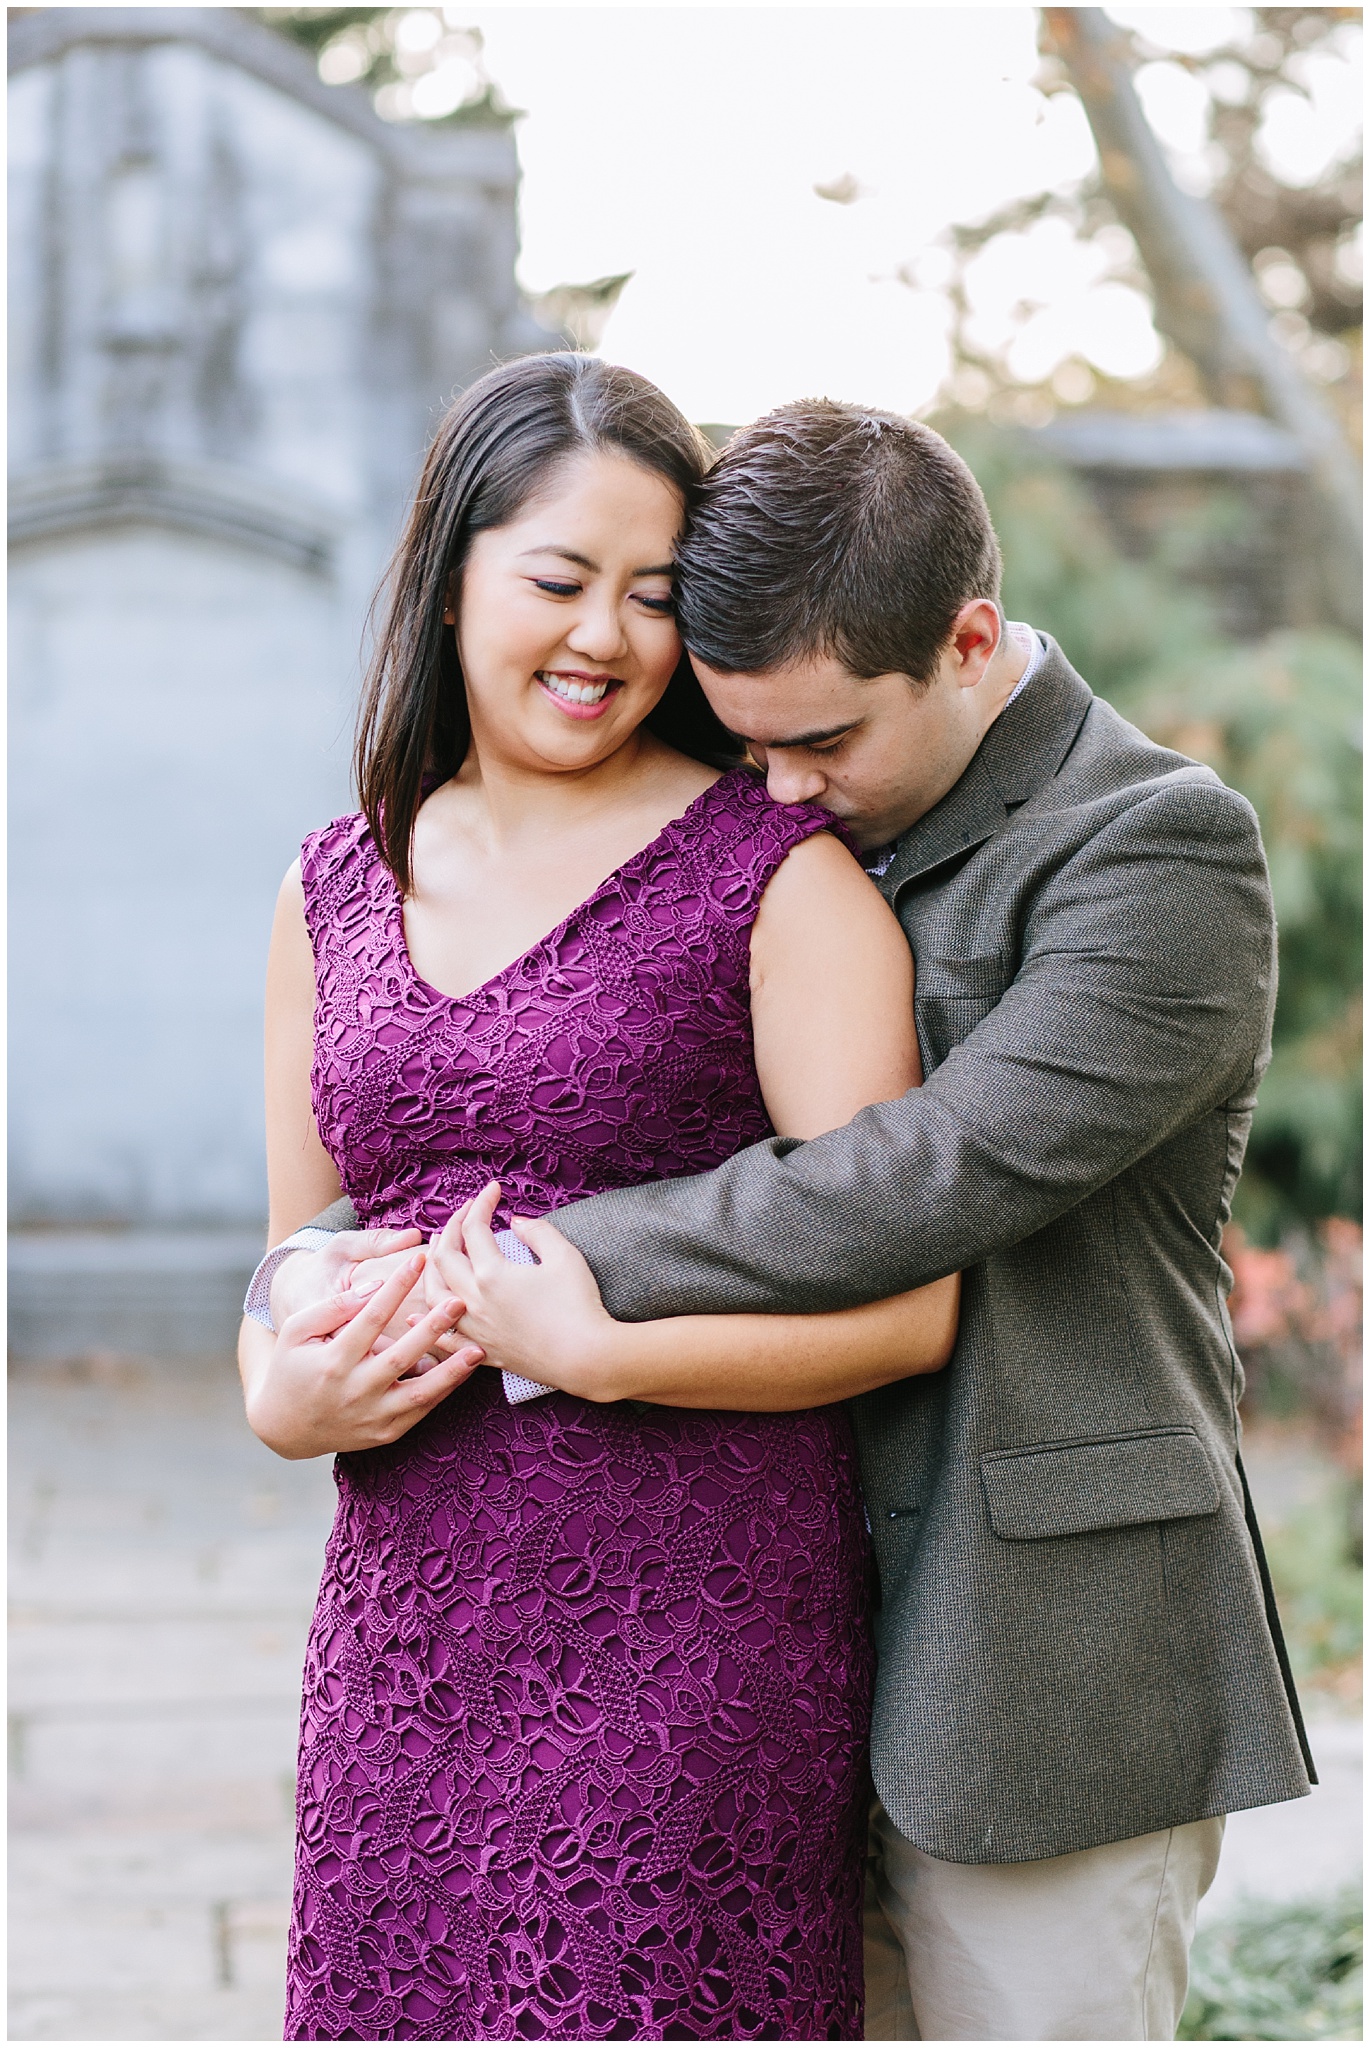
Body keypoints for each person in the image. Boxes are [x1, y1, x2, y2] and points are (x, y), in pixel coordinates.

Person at [271, 396, 1316, 2041]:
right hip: (740, 1619)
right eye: (744, 739)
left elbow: (921, 1175)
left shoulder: (1150, 850)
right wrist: (293, 1309)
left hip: (1027, 1647)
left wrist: (535, 1266)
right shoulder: (772, 813)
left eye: (818, 744)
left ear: (968, 641)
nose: (776, 788)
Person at [239, 353, 962, 2042]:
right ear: (449, 574)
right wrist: (283, 1392)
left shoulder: (778, 882)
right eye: (560, 580)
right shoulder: (331, 883)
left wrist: (609, 1354)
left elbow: (911, 1306)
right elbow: (294, 1243)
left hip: (695, 1631)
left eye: (651, 596)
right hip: (404, 1633)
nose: (606, 639)